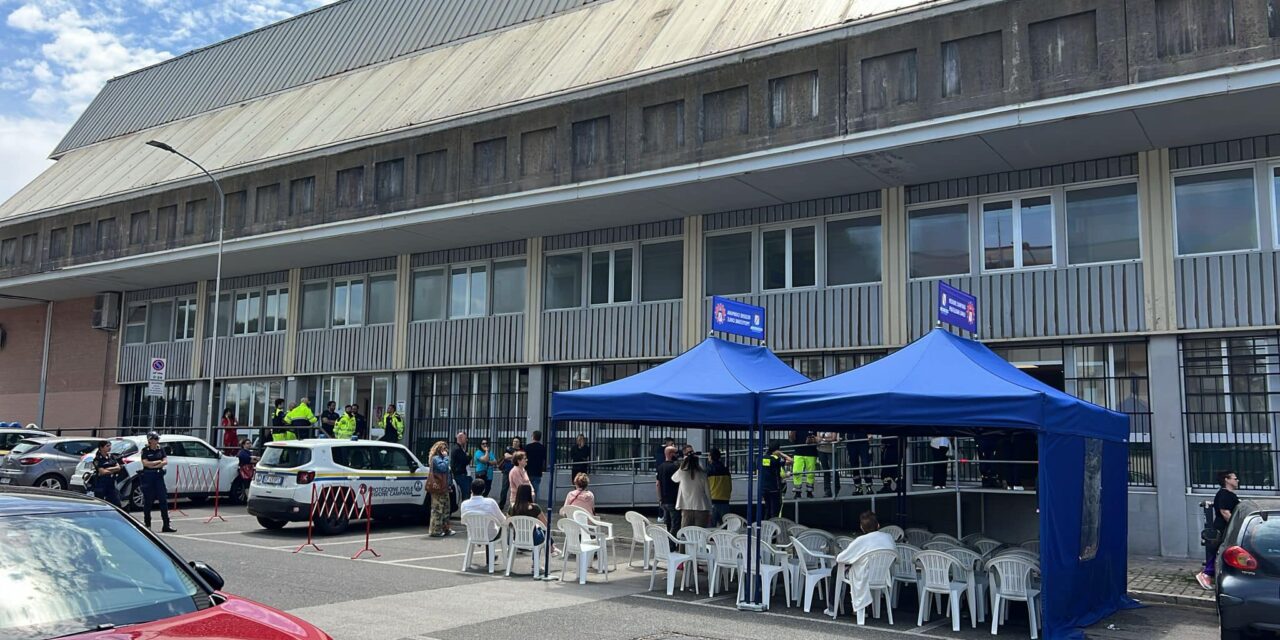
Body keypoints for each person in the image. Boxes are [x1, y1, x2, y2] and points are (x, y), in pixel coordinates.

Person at [827, 511, 898, 617]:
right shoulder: (888, 537)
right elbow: (896, 558)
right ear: (878, 525)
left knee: (837, 570)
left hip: (864, 576)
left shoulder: (861, 540)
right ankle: (866, 609)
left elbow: (841, 558)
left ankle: (833, 608)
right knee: (855, 568)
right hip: (881, 576)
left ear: (861, 527)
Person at [1196, 470, 1241, 590]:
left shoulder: (1228, 494)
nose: (1237, 481)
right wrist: (1236, 526)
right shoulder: (1225, 494)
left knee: (1224, 551)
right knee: (1220, 551)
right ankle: (1206, 574)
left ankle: (1215, 575)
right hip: (1223, 528)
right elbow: (1225, 512)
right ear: (1227, 480)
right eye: (1235, 478)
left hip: (1225, 527)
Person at [138, 432, 176, 532]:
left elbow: (165, 461)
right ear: (149, 440)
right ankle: (147, 525)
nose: (156, 440)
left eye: (157, 438)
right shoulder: (145, 450)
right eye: (154, 439)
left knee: (163, 500)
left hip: (159, 477)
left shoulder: (161, 449)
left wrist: (154, 464)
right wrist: (157, 462)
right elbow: (146, 463)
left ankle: (166, 525)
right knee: (148, 501)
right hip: (148, 477)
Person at [672, 450, 712, 529]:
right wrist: (710, 506)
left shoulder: (682, 473)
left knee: (686, 532)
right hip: (701, 506)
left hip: (686, 506)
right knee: (700, 532)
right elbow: (707, 492)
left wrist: (683, 464)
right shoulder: (702, 474)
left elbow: (674, 478)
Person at [460, 478, 505, 543]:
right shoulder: (490, 502)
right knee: (503, 527)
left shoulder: (464, 504)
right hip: (490, 535)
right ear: (483, 490)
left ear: (471, 490)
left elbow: (464, 522)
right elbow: (502, 520)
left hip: (473, 535)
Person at [426, 441, 455, 537]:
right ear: (439, 450)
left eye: (446, 449)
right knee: (438, 509)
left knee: (446, 509)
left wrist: (450, 485)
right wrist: (446, 458)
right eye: (443, 449)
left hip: (445, 488)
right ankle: (435, 530)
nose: (446, 451)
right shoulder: (436, 459)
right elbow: (442, 468)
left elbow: (448, 474)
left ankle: (446, 528)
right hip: (438, 488)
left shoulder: (443, 459)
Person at [760, 445, 791, 519]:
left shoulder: (762, 458)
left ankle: (766, 527)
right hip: (774, 488)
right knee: (775, 510)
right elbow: (791, 461)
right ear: (776, 450)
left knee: (767, 509)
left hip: (764, 488)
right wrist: (781, 454)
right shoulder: (776, 459)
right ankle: (774, 527)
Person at [655, 445, 681, 534]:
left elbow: (658, 484)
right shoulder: (675, 467)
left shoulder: (660, 467)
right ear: (670, 454)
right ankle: (672, 544)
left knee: (667, 523)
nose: (677, 455)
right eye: (676, 453)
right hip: (674, 500)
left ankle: (666, 542)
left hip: (664, 500)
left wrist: (660, 499)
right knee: (676, 524)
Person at [90, 440, 123, 507]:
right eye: (107, 446)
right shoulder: (98, 459)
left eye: (110, 446)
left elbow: (118, 467)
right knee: (100, 504)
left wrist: (107, 469)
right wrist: (113, 469)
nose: (109, 447)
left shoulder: (111, 456)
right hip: (101, 483)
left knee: (116, 503)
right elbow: (102, 472)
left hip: (111, 483)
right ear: (101, 448)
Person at [705, 448, 732, 526]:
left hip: (713, 500)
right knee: (725, 525)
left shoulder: (708, 469)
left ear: (710, 457)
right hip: (725, 500)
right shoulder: (725, 469)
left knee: (711, 526)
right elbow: (729, 485)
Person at [791, 429, 819, 499]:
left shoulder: (813, 425)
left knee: (810, 473)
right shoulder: (796, 426)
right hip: (798, 452)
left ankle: (810, 492)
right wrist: (792, 434)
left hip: (811, 452)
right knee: (796, 472)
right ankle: (797, 492)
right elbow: (791, 439)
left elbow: (818, 439)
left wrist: (813, 439)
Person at [846, 430, 873, 495]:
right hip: (851, 442)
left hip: (863, 441)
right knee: (854, 465)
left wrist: (869, 434)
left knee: (865, 464)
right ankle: (858, 487)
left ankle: (869, 486)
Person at [500, 437, 523, 507]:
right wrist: (516, 456)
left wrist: (512, 457)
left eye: (517, 441)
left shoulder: (522, 450)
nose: (515, 443)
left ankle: (516, 505)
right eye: (514, 441)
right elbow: (506, 456)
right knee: (504, 488)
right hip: (507, 471)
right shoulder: (508, 448)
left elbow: (521, 459)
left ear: (519, 443)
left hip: (517, 473)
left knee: (517, 489)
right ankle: (501, 505)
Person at [817, 431, 840, 497]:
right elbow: (818, 438)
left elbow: (833, 438)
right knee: (825, 471)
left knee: (834, 470)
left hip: (831, 450)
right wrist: (826, 439)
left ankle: (836, 489)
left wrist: (822, 439)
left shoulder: (832, 424)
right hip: (821, 450)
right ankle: (827, 491)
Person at [525, 431, 546, 497]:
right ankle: (535, 505)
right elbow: (544, 459)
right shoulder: (542, 448)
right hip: (538, 471)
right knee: (536, 491)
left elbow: (524, 458)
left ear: (533, 437)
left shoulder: (528, 447)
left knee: (527, 490)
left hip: (528, 471)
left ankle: (527, 504)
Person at [451, 432, 471, 502]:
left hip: (462, 474)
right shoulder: (457, 449)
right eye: (465, 438)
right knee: (466, 494)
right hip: (461, 475)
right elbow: (465, 461)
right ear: (460, 438)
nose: (466, 440)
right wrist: (468, 456)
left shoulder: (460, 448)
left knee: (467, 493)